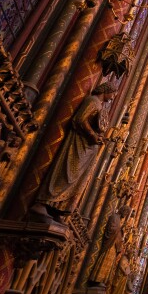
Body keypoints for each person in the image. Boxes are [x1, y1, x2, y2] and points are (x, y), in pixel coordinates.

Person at [32, 82, 117, 221]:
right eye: (113, 94)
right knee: (67, 172)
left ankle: (57, 208)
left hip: (89, 147)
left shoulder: (99, 105)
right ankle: (43, 202)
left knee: (77, 179)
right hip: (79, 143)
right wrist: (93, 135)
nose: (113, 97)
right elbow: (80, 119)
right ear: (106, 90)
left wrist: (98, 137)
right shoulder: (93, 101)